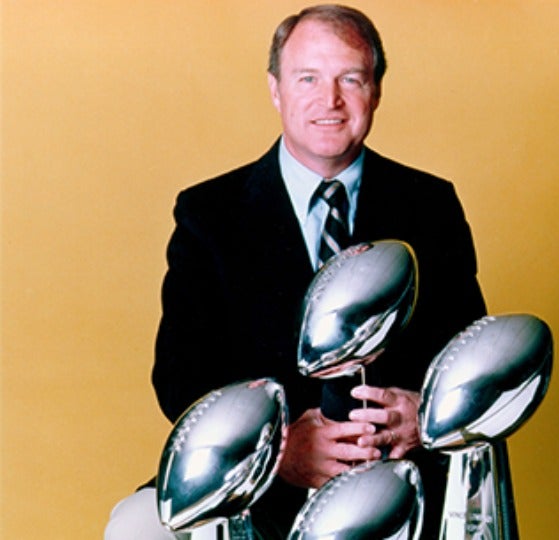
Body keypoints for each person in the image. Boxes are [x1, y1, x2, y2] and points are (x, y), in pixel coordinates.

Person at [105, 4, 486, 539]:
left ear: (375, 90)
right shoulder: (209, 212)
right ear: (276, 90)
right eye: (307, 78)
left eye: (349, 78)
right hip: (258, 480)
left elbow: (469, 354)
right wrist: (278, 446)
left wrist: (423, 416)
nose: (329, 101)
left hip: (402, 480)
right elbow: (180, 376)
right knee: (135, 528)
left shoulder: (430, 205)